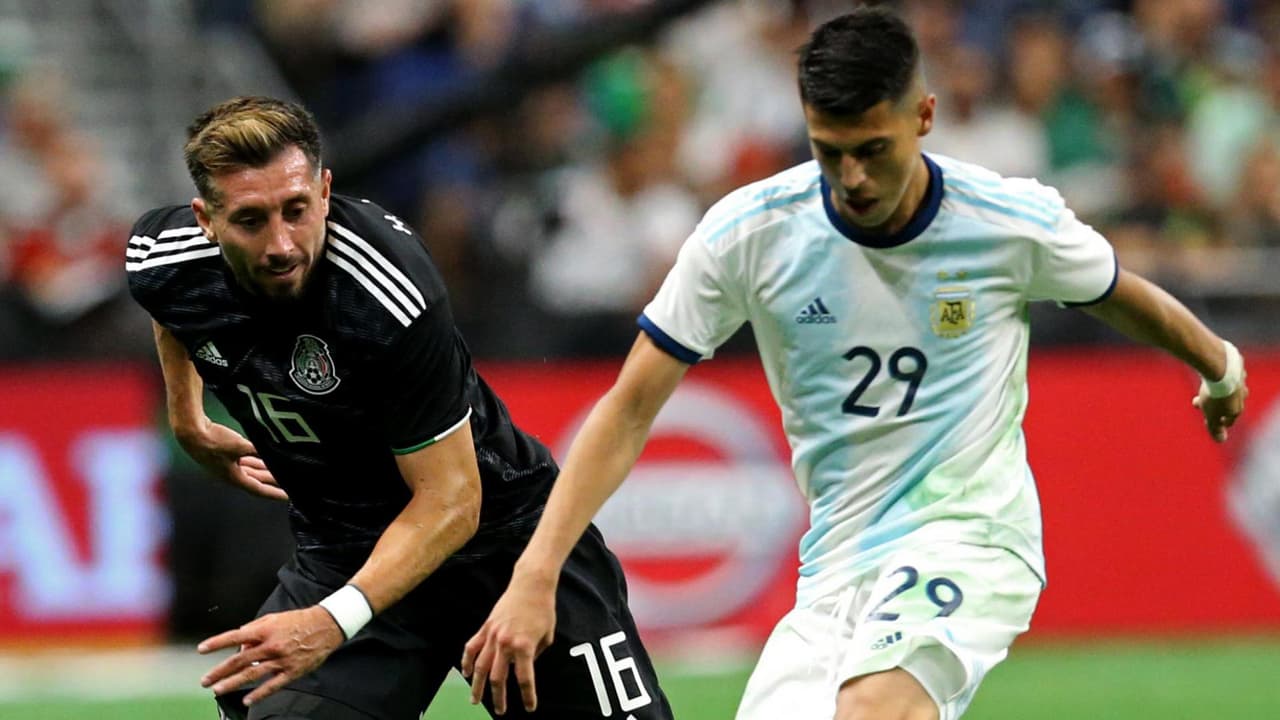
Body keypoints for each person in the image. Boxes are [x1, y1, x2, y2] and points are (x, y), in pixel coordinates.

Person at [461, 8, 1249, 720]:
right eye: (830, 153)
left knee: (874, 710)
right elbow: (630, 407)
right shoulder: (751, 235)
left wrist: (1219, 366)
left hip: (969, 535)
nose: (854, 180)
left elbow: (1120, 294)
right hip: (836, 566)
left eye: (875, 151)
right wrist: (536, 572)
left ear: (924, 116)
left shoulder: (1005, 221)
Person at [126, 96, 673, 720]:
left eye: (296, 210)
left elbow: (453, 500)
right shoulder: (162, 257)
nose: (280, 244)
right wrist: (188, 418)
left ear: (324, 192)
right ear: (206, 220)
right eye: (250, 221)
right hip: (346, 550)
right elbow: (172, 302)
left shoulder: (385, 291)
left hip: (502, 544)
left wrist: (331, 621)